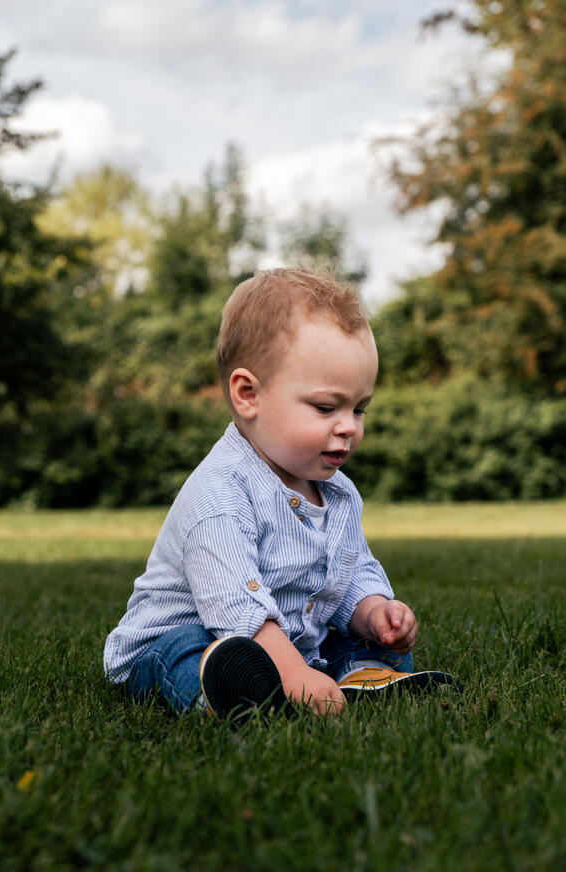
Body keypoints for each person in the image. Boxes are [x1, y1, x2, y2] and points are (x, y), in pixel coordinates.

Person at [104, 267, 456, 718]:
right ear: (248, 394)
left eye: (359, 408)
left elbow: (347, 573)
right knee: (190, 649)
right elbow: (236, 605)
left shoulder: (337, 492)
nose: (348, 426)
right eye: (326, 407)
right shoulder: (219, 494)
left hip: (287, 639)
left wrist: (374, 612)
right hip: (190, 635)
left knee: (361, 636)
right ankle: (226, 693)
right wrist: (294, 674)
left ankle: (364, 673)